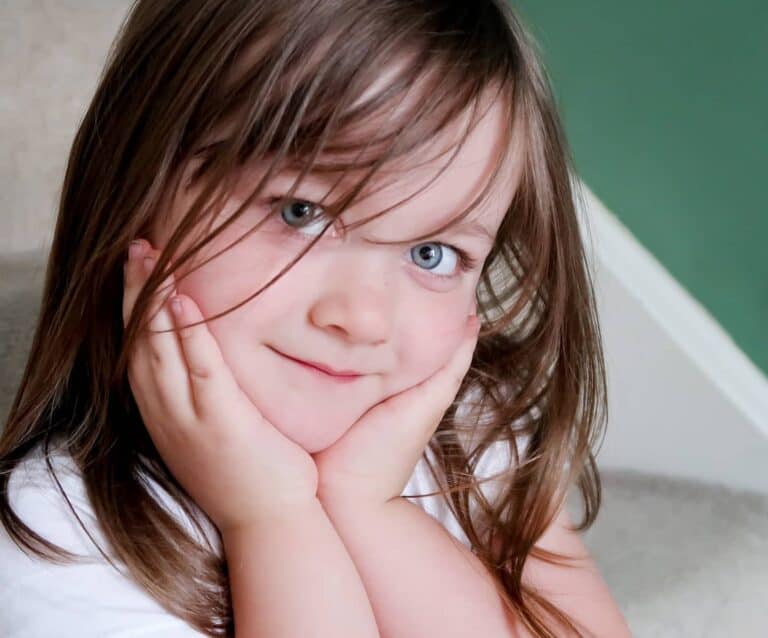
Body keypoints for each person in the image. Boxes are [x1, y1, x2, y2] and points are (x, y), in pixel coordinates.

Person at [0, 1, 632, 636]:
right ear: (136, 179)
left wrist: (368, 507)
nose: (361, 318)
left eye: (430, 253)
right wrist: (271, 520)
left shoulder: (468, 434)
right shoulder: (58, 537)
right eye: (300, 212)